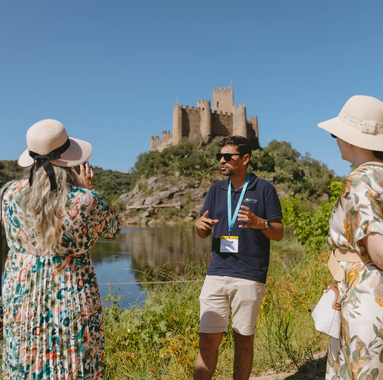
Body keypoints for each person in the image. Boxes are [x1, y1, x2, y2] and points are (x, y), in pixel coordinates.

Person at [0, 119, 121, 379]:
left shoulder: (7, 194)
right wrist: (88, 189)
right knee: (72, 363)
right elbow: (113, 228)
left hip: (22, 296)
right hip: (71, 296)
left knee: (25, 362)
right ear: (69, 159)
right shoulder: (86, 200)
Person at [193, 135, 284, 380]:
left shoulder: (264, 189)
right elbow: (203, 231)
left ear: (245, 158)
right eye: (219, 157)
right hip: (216, 274)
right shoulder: (215, 189)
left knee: (243, 340)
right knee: (207, 340)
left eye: (227, 156)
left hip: (249, 275)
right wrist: (199, 225)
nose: (222, 161)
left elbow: (278, 233)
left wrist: (259, 223)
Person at [318, 95, 383, 379]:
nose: (335, 139)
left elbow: (378, 250)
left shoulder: (359, 180)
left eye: (337, 133)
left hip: (366, 293)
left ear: (353, 139)